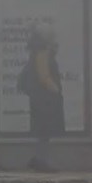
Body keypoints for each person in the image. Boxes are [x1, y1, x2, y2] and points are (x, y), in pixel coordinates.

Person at [20, 23, 64, 173]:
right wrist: (56, 90)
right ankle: (41, 161)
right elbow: (44, 76)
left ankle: (40, 159)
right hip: (44, 98)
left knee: (42, 131)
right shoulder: (42, 51)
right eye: (51, 34)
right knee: (44, 131)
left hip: (39, 97)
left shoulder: (37, 50)